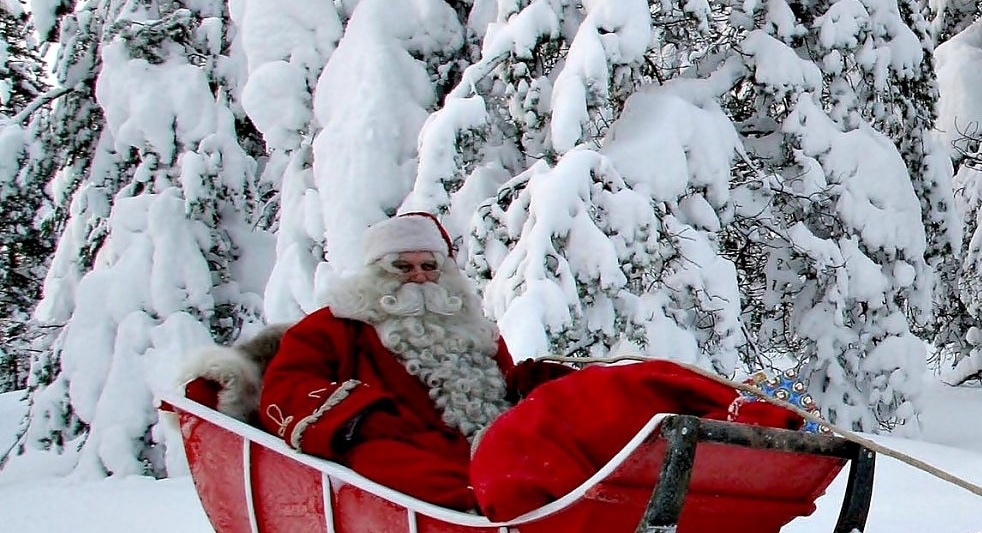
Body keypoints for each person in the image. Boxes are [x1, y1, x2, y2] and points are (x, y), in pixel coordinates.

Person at [240, 211, 804, 517]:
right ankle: (565, 510)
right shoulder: (333, 327)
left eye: (428, 267)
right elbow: (286, 390)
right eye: (402, 267)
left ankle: (737, 416)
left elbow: (507, 385)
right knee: (519, 450)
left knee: (611, 387)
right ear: (372, 275)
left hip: (504, 441)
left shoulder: (468, 326)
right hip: (417, 455)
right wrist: (367, 420)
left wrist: (556, 381)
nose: (418, 278)